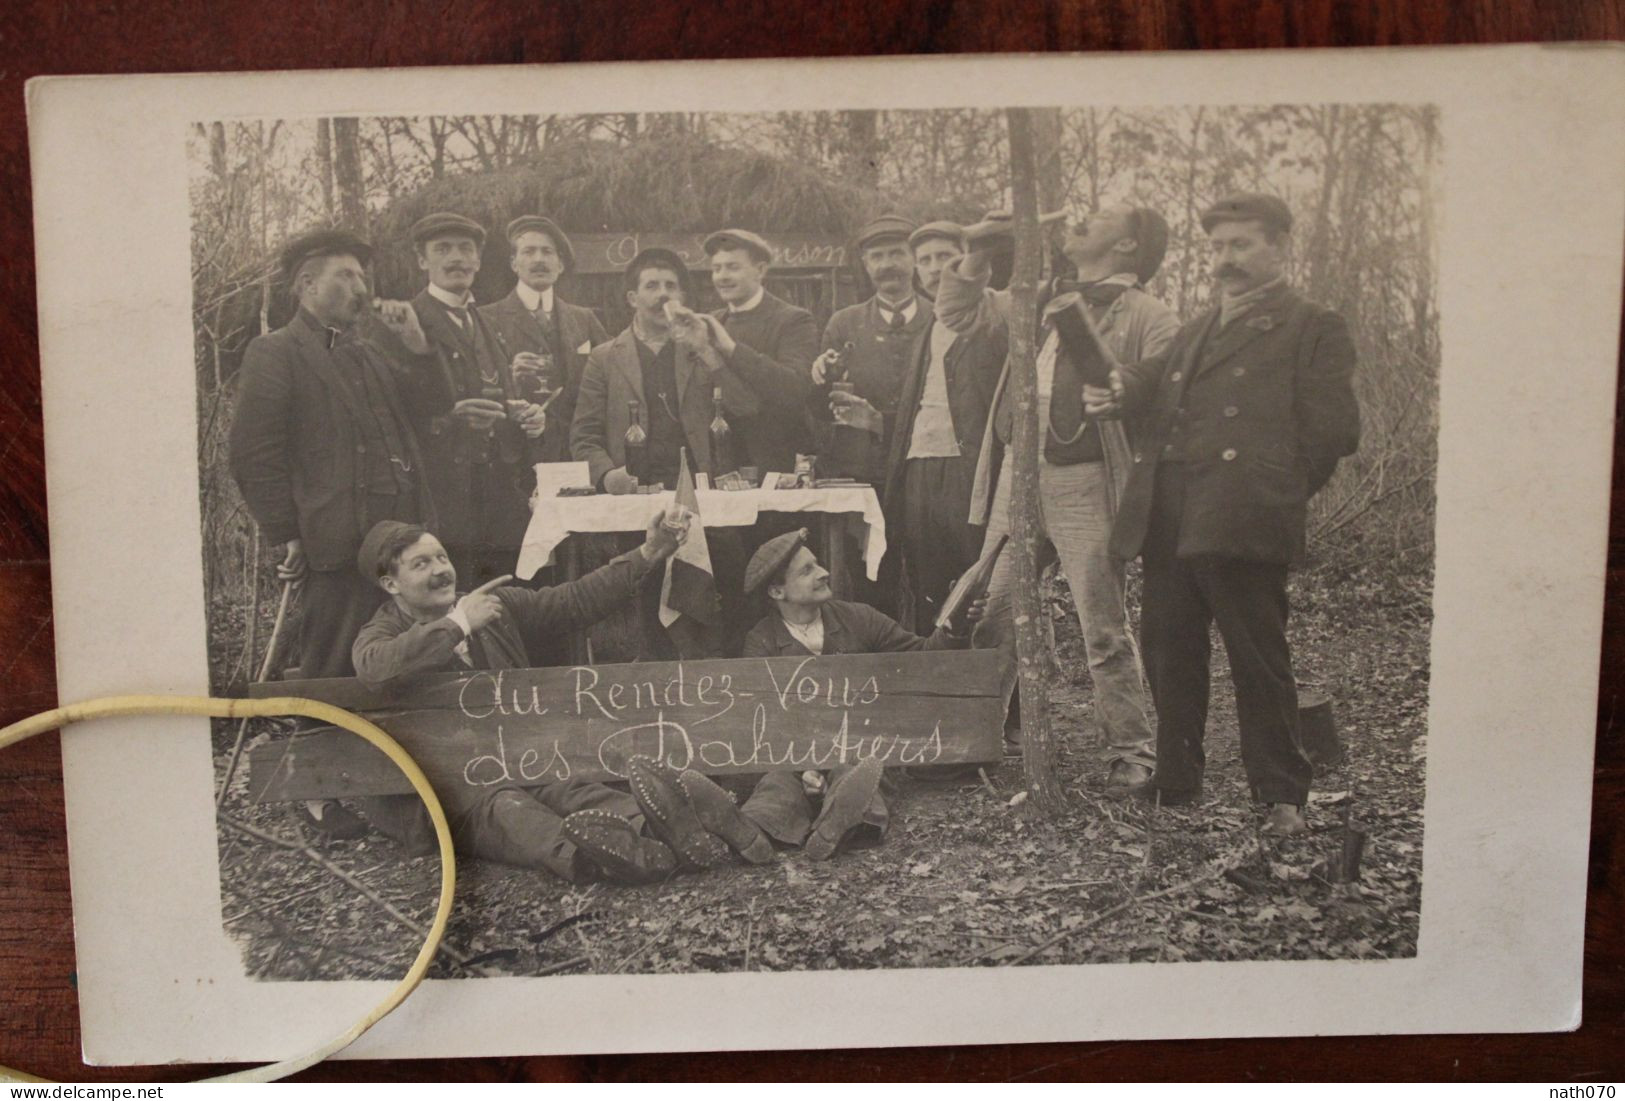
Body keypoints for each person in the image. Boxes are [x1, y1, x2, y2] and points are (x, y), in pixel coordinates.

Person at [1084, 192, 1360, 836]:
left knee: (1256, 658)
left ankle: (1282, 796)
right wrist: (1118, 388)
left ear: (1280, 247)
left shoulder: (1313, 325)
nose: (1225, 259)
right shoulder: (1200, 327)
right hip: (1170, 511)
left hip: (1243, 517)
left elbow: (1335, 431)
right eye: (1217, 246)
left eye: (1241, 245)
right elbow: (1149, 381)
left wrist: (1275, 492)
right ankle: (1177, 780)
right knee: (1168, 651)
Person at [349, 511, 755, 882]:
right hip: (454, 785)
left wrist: (650, 552)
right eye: (421, 564)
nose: (441, 571)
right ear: (390, 584)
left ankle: (666, 831)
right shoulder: (381, 633)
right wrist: (458, 625)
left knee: (570, 787)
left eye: (441, 558)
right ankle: (602, 858)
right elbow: (375, 667)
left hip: (521, 757)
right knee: (510, 813)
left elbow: (572, 601)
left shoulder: (493, 606)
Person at [230, 228, 450, 841]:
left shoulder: (366, 352)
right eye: (345, 277)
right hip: (333, 543)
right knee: (329, 662)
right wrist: (285, 534)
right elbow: (255, 454)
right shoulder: (275, 353)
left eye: (362, 277)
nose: (360, 287)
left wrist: (415, 341)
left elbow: (432, 406)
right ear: (307, 286)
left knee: (395, 659)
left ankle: (385, 786)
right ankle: (319, 800)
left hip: (395, 544)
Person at [950, 204, 1177, 795]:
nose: (1082, 221)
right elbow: (957, 312)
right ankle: (974, 741)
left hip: (1087, 483)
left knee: (1102, 623)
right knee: (995, 610)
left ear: (1128, 246)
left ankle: (1130, 752)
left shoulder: (1149, 314)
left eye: (1101, 218)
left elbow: (1171, 390)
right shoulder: (1038, 295)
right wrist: (977, 245)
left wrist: (1125, 393)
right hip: (1017, 476)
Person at [689, 529, 981, 860]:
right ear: (777, 590)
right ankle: (752, 835)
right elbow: (766, 727)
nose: (823, 573)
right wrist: (806, 769)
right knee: (776, 786)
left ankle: (836, 826)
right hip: (796, 759)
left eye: (817, 564)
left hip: (859, 746)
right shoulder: (761, 643)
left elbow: (922, 659)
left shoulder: (860, 618)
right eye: (807, 570)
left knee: (859, 774)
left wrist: (955, 627)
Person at [569, 248, 756, 657]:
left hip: (702, 494)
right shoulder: (605, 358)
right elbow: (583, 437)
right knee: (647, 603)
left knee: (720, 593)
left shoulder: (698, 351)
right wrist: (608, 476)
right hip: (640, 499)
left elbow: (744, 408)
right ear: (632, 298)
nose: (661, 295)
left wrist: (708, 350)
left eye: (671, 286)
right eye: (651, 285)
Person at [404, 212, 549, 588]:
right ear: (423, 261)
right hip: (444, 497)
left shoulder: (482, 321)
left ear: (479, 262)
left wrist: (524, 414)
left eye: (465, 250)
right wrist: (450, 419)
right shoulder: (408, 323)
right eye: (443, 249)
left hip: (498, 492)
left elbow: (502, 395)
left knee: (510, 596)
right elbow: (391, 414)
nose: (456, 259)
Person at [877, 220, 1006, 632]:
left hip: (971, 469)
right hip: (920, 469)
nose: (934, 268)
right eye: (925, 260)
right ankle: (941, 688)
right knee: (927, 587)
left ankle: (999, 693)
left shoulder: (993, 314)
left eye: (945, 257)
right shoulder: (925, 330)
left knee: (979, 587)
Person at [807, 214, 931, 487]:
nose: (887, 265)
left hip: (923, 468)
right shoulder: (844, 323)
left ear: (915, 259)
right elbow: (821, 410)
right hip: (861, 472)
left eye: (897, 254)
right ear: (865, 264)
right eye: (877, 257)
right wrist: (823, 377)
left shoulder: (940, 319)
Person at [479, 215, 609, 463]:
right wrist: (509, 376)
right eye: (529, 251)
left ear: (560, 265)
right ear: (514, 263)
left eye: (547, 252)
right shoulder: (486, 319)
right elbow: (476, 387)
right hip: (513, 458)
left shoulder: (584, 319)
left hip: (574, 455)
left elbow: (608, 379)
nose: (539, 259)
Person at [699, 228, 819, 475]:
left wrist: (731, 349)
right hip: (722, 466)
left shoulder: (793, 320)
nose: (722, 277)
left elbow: (795, 387)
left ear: (760, 270)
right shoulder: (713, 322)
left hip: (777, 466)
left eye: (733, 267)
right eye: (716, 268)